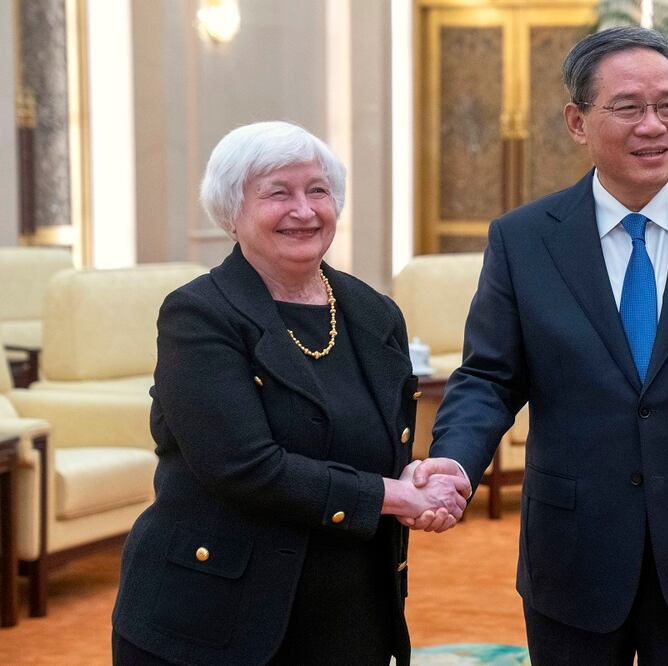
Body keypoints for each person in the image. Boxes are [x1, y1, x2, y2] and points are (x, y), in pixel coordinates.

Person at [410, 26, 668, 664]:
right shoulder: (524, 239)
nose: (652, 125)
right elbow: (489, 377)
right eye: (627, 107)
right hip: (573, 552)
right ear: (577, 121)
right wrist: (455, 463)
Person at [111, 121, 470, 666]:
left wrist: (417, 475)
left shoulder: (374, 313)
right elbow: (243, 466)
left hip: (351, 617)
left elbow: (377, 446)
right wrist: (395, 497)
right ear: (232, 212)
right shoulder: (199, 315)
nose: (303, 210)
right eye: (278, 193)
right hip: (214, 623)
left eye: (318, 191)